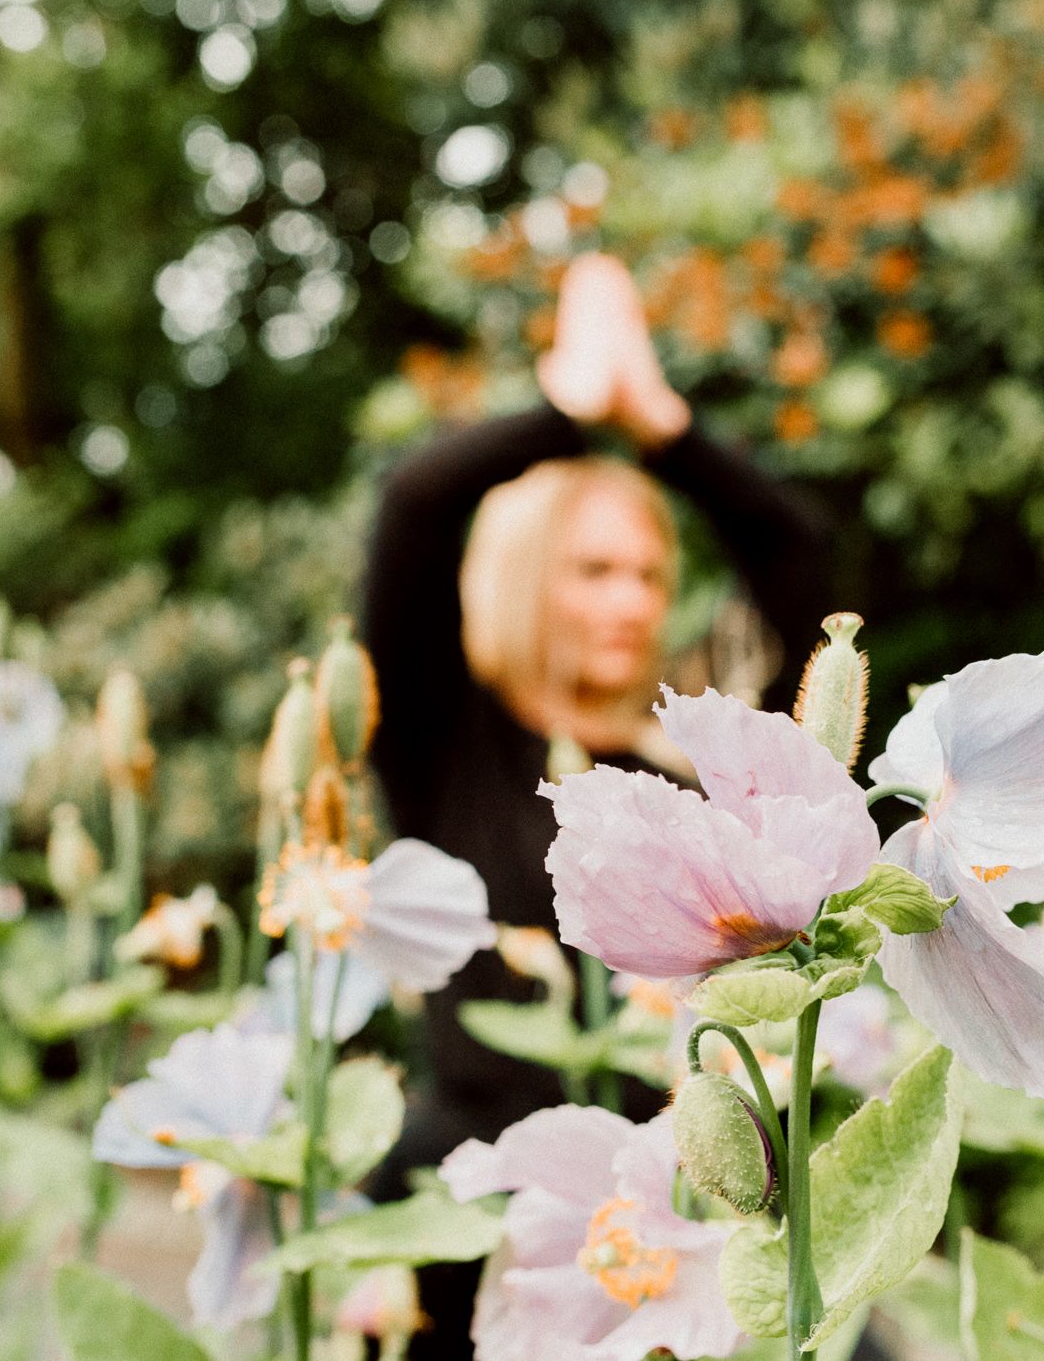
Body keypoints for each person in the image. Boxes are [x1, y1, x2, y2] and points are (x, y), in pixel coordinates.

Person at [361, 253, 831, 1349]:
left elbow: (798, 564)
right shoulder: (447, 741)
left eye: (649, 574)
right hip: (486, 1205)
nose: (629, 600)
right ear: (529, 576)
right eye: (592, 570)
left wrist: (667, 430)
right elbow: (416, 504)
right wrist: (572, 411)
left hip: (682, 1203)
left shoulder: (689, 776)